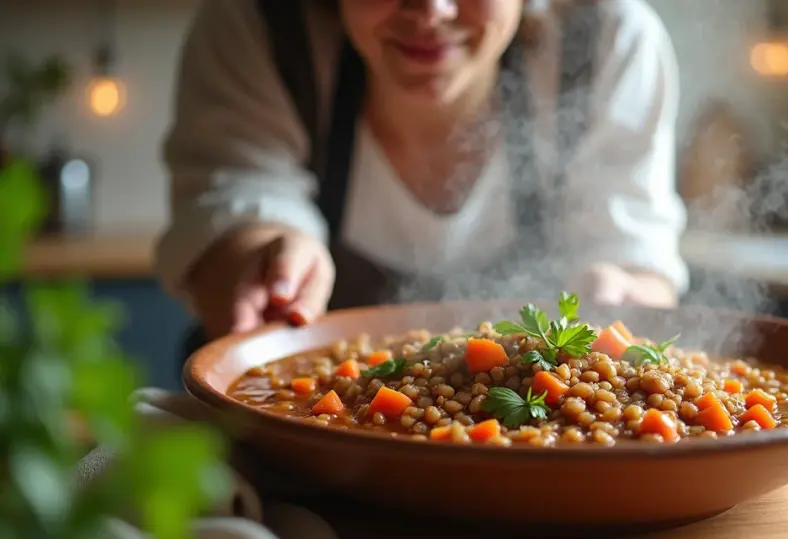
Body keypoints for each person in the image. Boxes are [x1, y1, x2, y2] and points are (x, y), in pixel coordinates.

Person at [155, 0, 689, 347]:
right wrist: (265, 261)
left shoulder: (602, 41)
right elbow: (234, 204)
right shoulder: (262, 30)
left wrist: (623, 292)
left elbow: (633, 252)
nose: (431, 10)